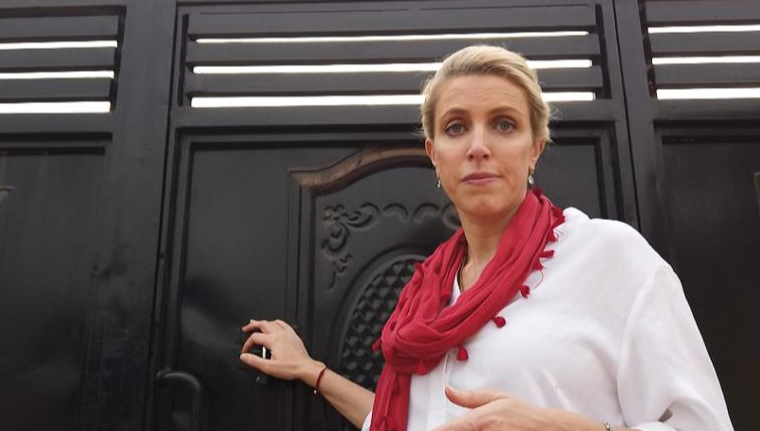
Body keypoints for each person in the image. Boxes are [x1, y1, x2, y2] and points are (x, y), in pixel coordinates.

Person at [240, 45, 734, 431]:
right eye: (457, 127)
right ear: (434, 154)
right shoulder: (426, 294)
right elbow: (404, 420)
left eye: (503, 124)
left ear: (534, 148)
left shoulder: (609, 257)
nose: (479, 147)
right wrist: (312, 372)